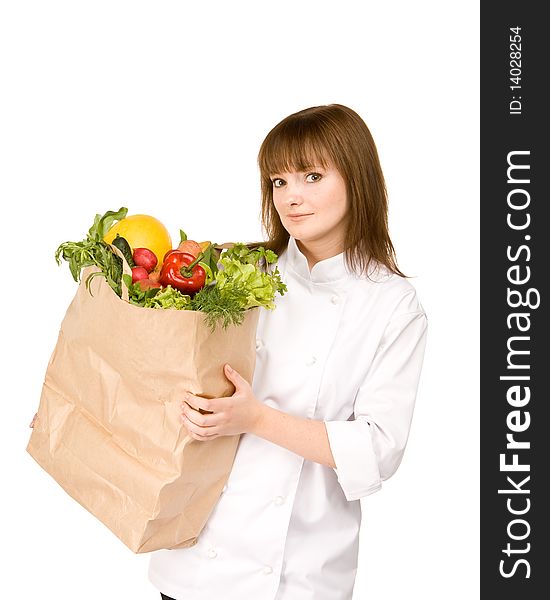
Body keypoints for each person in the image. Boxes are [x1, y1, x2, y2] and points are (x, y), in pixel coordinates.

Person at [148, 103, 428, 600]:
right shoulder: (240, 271)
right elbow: (166, 375)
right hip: (195, 561)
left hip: (302, 574)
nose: (291, 197)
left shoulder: (392, 304)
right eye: (278, 181)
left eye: (311, 176)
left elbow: (378, 448)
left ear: (358, 180)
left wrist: (255, 418)